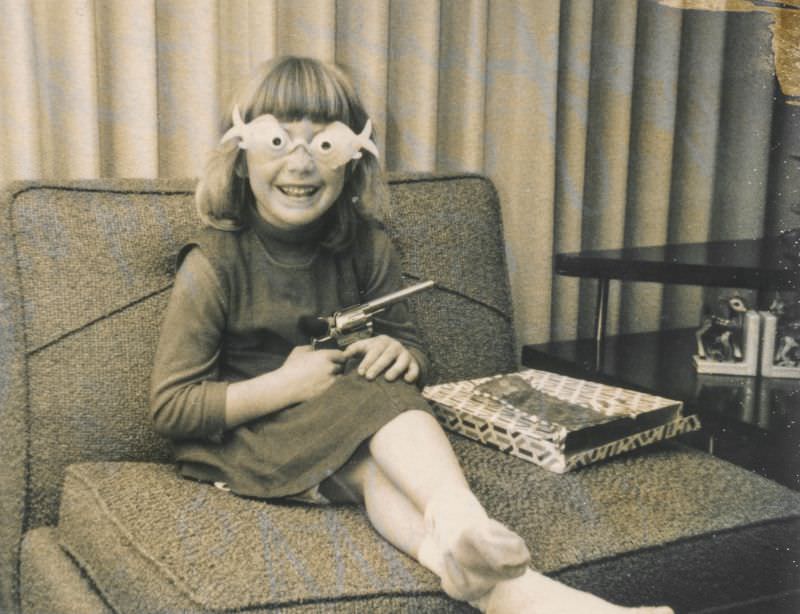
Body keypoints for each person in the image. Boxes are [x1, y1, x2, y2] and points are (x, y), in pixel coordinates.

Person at [150, 55, 672, 614]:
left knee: (381, 450)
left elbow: (412, 351)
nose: (300, 163)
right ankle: (464, 520)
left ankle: (480, 568)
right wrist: (286, 384)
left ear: (353, 161)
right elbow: (170, 409)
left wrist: (397, 352)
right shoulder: (212, 266)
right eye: (278, 140)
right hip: (249, 439)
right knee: (379, 398)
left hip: (338, 430)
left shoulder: (367, 246)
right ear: (239, 156)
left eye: (325, 144)